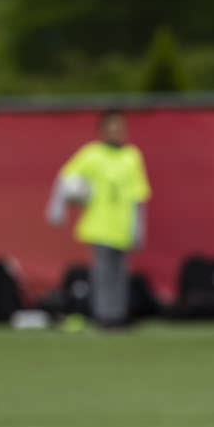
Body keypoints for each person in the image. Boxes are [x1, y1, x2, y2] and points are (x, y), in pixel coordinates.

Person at [46, 109, 150, 329]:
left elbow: (138, 194)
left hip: (121, 225)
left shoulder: (131, 156)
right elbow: (67, 178)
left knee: (120, 274)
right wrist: (58, 206)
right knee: (102, 273)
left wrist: (138, 226)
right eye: (111, 128)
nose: (116, 132)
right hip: (99, 224)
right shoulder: (92, 154)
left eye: (119, 128)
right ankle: (103, 316)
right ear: (101, 131)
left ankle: (118, 314)